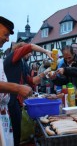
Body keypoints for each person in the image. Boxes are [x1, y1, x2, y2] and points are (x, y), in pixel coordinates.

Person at [4, 42, 52, 146]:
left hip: (17, 102)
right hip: (10, 101)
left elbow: (33, 81)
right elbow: (30, 46)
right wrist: (46, 51)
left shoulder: (21, 64)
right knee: (14, 134)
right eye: (29, 52)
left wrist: (47, 72)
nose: (30, 54)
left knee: (16, 133)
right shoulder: (13, 56)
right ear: (21, 50)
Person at [0, 16, 32, 146]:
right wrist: (18, 88)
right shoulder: (14, 57)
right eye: (5, 34)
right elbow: (29, 46)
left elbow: (30, 79)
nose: (8, 39)